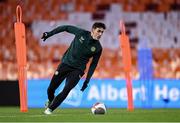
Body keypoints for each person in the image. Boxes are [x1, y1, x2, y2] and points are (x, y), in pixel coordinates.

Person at [41, 22, 106, 114]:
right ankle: (51, 100)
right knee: (50, 89)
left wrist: (87, 80)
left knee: (67, 89)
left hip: (78, 70)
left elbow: (93, 65)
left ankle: (50, 109)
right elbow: (66, 27)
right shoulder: (81, 33)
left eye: (102, 32)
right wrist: (49, 34)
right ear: (93, 30)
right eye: (98, 31)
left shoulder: (98, 48)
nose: (100, 34)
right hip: (65, 64)